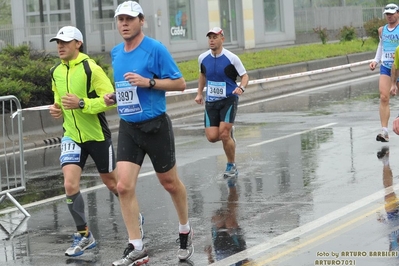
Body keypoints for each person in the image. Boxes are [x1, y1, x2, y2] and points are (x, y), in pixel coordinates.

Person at [104, 1, 193, 265]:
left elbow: (180, 83)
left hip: (155, 126)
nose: (124, 24)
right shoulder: (116, 52)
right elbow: (125, 88)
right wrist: (115, 96)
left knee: (169, 183)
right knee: (122, 185)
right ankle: (137, 246)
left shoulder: (155, 49)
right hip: (129, 127)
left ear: (142, 21)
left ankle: (185, 230)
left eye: (129, 19)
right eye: (120, 19)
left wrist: (149, 82)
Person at [48, 26, 144, 257]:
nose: (60, 46)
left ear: (78, 44)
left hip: (97, 135)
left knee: (113, 184)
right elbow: (58, 100)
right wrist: (57, 108)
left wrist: (83, 104)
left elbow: (111, 98)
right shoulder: (55, 71)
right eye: (58, 42)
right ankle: (84, 235)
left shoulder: (91, 68)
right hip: (71, 135)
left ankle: (135, 217)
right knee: (70, 185)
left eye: (65, 42)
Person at [195, 27, 249, 184]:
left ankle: (231, 165)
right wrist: (199, 93)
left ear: (222, 39)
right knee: (212, 137)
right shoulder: (202, 58)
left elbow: (244, 76)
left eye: (215, 37)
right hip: (211, 101)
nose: (211, 40)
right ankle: (229, 133)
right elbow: (202, 75)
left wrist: (241, 87)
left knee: (223, 134)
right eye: (209, 37)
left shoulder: (232, 58)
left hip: (228, 99)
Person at [370, 3, 399, 142]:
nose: (389, 16)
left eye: (392, 13)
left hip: (398, 67)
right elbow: (381, 45)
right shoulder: (382, 30)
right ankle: (384, 132)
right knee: (383, 97)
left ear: (398, 13)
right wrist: (376, 60)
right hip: (386, 67)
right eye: (387, 14)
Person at [204, 180, 250, 265]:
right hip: (236, 251)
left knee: (218, 218)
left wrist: (209, 255)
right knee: (230, 219)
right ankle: (232, 183)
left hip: (220, 247)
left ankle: (230, 185)